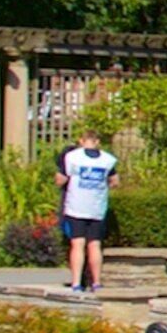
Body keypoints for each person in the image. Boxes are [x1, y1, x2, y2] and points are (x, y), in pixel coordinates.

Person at [58, 121, 119, 295]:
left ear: (81, 140)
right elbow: (115, 181)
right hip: (97, 208)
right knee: (95, 245)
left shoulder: (72, 157)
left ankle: (76, 282)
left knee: (77, 244)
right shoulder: (108, 160)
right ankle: (96, 282)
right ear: (97, 141)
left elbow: (60, 178)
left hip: (76, 206)